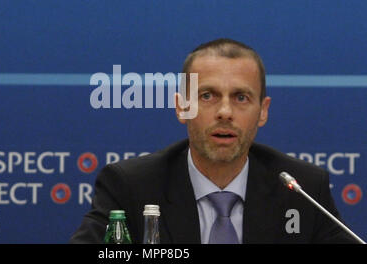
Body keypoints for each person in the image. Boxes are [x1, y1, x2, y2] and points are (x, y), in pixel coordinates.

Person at [70, 38, 357, 244]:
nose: (225, 112)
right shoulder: (130, 186)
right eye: (207, 96)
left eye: (241, 97)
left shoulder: (302, 189)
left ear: (263, 111)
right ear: (182, 107)